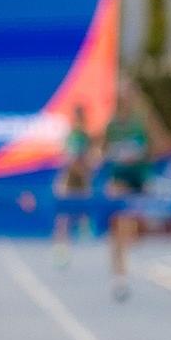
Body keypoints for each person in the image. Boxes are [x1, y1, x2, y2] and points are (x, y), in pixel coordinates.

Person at [101, 75, 166, 302]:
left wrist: (141, 156)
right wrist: (111, 156)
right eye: (121, 95)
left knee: (134, 227)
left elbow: (160, 145)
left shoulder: (143, 120)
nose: (124, 99)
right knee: (120, 223)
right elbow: (102, 151)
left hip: (141, 178)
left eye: (128, 94)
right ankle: (119, 275)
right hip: (120, 178)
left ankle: (129, 253)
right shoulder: (111, 124)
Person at [52, 102, 99, 269]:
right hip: (70, 180)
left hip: (81, 180)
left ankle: (85, 233)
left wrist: (88, 168)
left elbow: (92, 159)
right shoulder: (72, 136)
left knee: (82, 212)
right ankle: (61, 249)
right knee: (63, 218)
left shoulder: (87, 137)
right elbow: (68, 160)